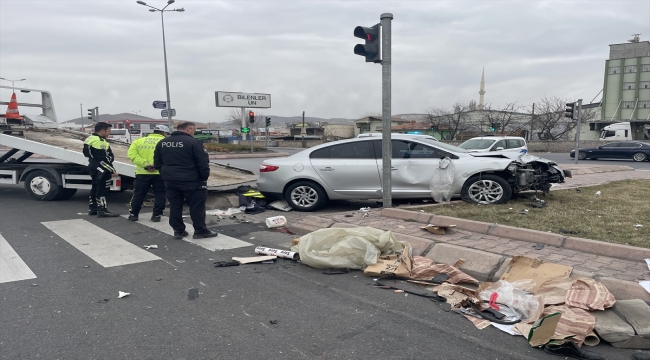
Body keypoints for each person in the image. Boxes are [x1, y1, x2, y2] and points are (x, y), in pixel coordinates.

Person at [153, 122, 218, 240]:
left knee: (175, 206)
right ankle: (200, 231)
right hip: (192, 180)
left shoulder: (162, 143)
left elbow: (157, 162)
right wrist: (204, 178)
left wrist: (166, 174)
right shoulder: (194, 142)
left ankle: (178, 231)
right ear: (189, 129)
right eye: (194, 130)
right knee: (196, 207)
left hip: (170, 181)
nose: (194, 132)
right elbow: (203, 162)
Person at [127, 125, 170, 222]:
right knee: (160, 194)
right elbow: (169, 157)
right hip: (159, 173)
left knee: (139, 194)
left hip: (142, 172)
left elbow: (132, 155)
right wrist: (156, 166)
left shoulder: (138, 141)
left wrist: (146, 165)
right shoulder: (165, 143)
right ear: (164, 133)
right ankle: (156, 215)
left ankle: (134, 214)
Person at [83, 122, 119, 217]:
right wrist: (112, 170)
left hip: (93, 166)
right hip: (101, 169)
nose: (109, 133)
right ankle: (102, 210)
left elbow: (88, 154)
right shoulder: (99, 141)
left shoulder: (90, 138)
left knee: (95, 187)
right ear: (102, 131)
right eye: (108, 131)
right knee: (102, 190)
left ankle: (93, 209)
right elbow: (103, 159)